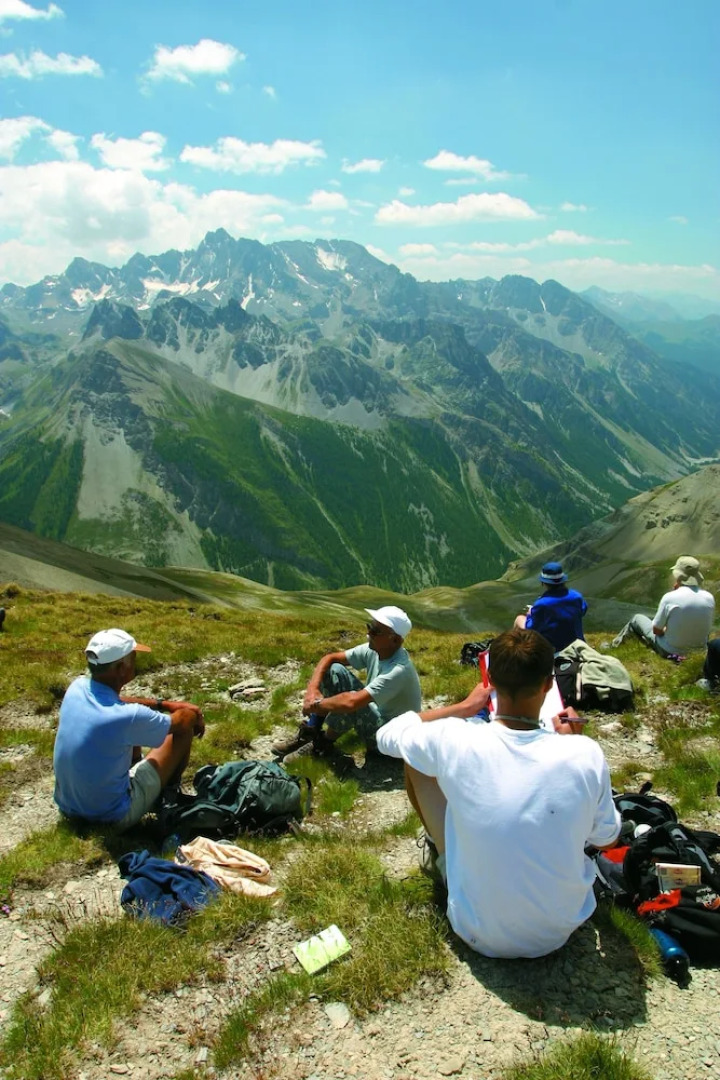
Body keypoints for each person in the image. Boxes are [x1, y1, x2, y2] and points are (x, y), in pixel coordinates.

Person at [376, 628, 620, 959]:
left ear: (489, 678)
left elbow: (387, 735)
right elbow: (606, 840)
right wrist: (569, 741)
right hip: (560, 930)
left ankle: (445, 856)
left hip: (474, 930)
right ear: (549, 684)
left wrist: (462, 707)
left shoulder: (455, 738)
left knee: (415, 761)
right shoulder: (584, 752)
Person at [53, 628, 205, 830]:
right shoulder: (128, 716)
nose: (136, 662)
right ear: (121, 668)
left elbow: (118, 701)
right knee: (184, 730)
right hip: (112, 816)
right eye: (133, 658)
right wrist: (190, 712)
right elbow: (182, 721)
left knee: (131, 732)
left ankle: (139, 772)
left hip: (69, 808)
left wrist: (163, 704)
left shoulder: (77, 688)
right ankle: (168, 797)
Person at [272, 605, 422, 763]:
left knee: (352, 701)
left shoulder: (398, 670)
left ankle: (322, 744)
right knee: (334, 670)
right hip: (379, 722)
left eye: (375, 631)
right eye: (369, 627)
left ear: (395, 640)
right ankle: (311, 731)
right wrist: (312, 690)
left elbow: (351, 702)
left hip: (391, 743)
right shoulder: (376, 649)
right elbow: (330, 658)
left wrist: (316, 705)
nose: (368, 634)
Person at [612, 556, 715, 658]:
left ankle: (614, 646)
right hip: (699, 652)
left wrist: (666, 629)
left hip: (670, 651)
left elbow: (656, 630)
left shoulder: (670, 597)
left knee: (636, 619)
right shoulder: (709, 597)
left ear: (678, 576)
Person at [513, 561, 587, 653]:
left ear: (543, 583)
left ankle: (517, 651)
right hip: (578, 646)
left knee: (519, 619)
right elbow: (583, 610)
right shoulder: (577, 596)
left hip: (554, 649)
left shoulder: (542, 604)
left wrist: (530, 614)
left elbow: (532, 628)